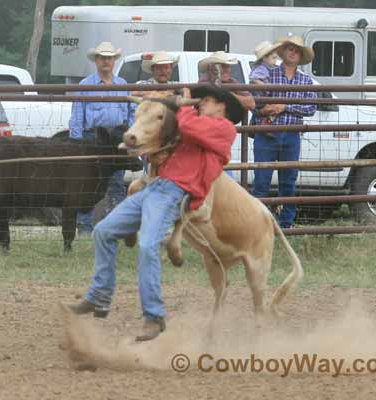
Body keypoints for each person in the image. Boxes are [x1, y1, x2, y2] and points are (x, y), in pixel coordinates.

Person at [67, 86, 243, 342]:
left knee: (149, 244)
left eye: (207, 100)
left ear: (222, 107)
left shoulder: (224, 129)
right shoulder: (193, 123)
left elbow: (189, 126)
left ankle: (154, 315)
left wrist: (181, 104)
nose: (201, 103)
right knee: (103, 231)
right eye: (201, 100)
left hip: (175, 192)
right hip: (155, 188)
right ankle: (100, 296)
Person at [251, 36, 318, 229]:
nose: (293, 52)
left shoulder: (306, 81)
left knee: (288, 181)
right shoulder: (268, 75)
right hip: (267, 132)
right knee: (261, 181)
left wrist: (284, 106)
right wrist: (264, 110)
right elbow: (255, 103)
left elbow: (311, 108)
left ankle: (286, 224)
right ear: (283, 52)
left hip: (291, 134)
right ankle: (257, 225)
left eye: (296, 50)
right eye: (289, 48)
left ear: (300, 55)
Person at [68, 42, 135, 235]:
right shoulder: (85, 85)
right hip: (93, 140)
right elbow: (77, 117)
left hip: (116, 140)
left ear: (114, 61)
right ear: (96, 61)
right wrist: (76, 144)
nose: (106, 61)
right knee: (88, 183)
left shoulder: (123, 85)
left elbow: (131, 113)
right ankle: (84, 228)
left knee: (116, 183)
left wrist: (129, 138)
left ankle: (117, 227)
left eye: (109, 58)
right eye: (102, 58)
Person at [197, 51, 255, 179]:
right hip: (207, 134)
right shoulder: (204, 83)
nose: (227, 69)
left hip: (220, 135)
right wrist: (229, 96)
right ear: (212, 68)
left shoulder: (231, 82)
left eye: (227, 66)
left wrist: (226, 95)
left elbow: (251, 103)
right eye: (222, 66)